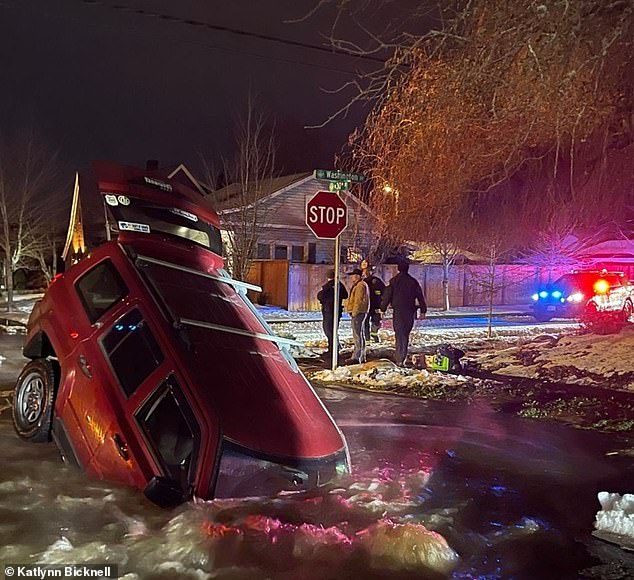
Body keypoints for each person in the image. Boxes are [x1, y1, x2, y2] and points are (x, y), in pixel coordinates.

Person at [381, 260, 427, 366]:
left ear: (398, 269)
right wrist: (423, 310)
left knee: (399, 334)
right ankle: (403, 356)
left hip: (398, 311)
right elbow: (420, 296)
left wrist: (383, 309)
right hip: (410, 311)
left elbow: (387, 296)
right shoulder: (413, 281)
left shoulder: (393, 281)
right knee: (405, 334)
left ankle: (399, 358)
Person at [317, 269, 348, 363]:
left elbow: (320, 296)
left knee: (328, 330)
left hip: (329, 310)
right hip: (336, 310)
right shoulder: (339, 284)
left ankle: (333, 350)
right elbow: (345, 295)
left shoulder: (329, 286)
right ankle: (333, 348)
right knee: (333, 330)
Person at [345, 268, 370, 364]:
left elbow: (358, 300)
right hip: (361, 312)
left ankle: (356, 356)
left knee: (357, 334)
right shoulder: (361, 285)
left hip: (358, 312)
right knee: (360, 333)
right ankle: (361, 355)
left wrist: (354, 312)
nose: (351, 278)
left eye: (352, 275)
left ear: (357, 276)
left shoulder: (360, 286)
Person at [361, 259, 385, 343]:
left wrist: (383, 304)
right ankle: (367, 339)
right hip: (366, 306)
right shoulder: (362, 282)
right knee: (365, 323)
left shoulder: (377, 281)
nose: (366, 272)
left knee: (376, 321)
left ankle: (374, 335)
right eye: (364, 271)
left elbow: (384, 292)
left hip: (375, 306)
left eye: (367, 270)